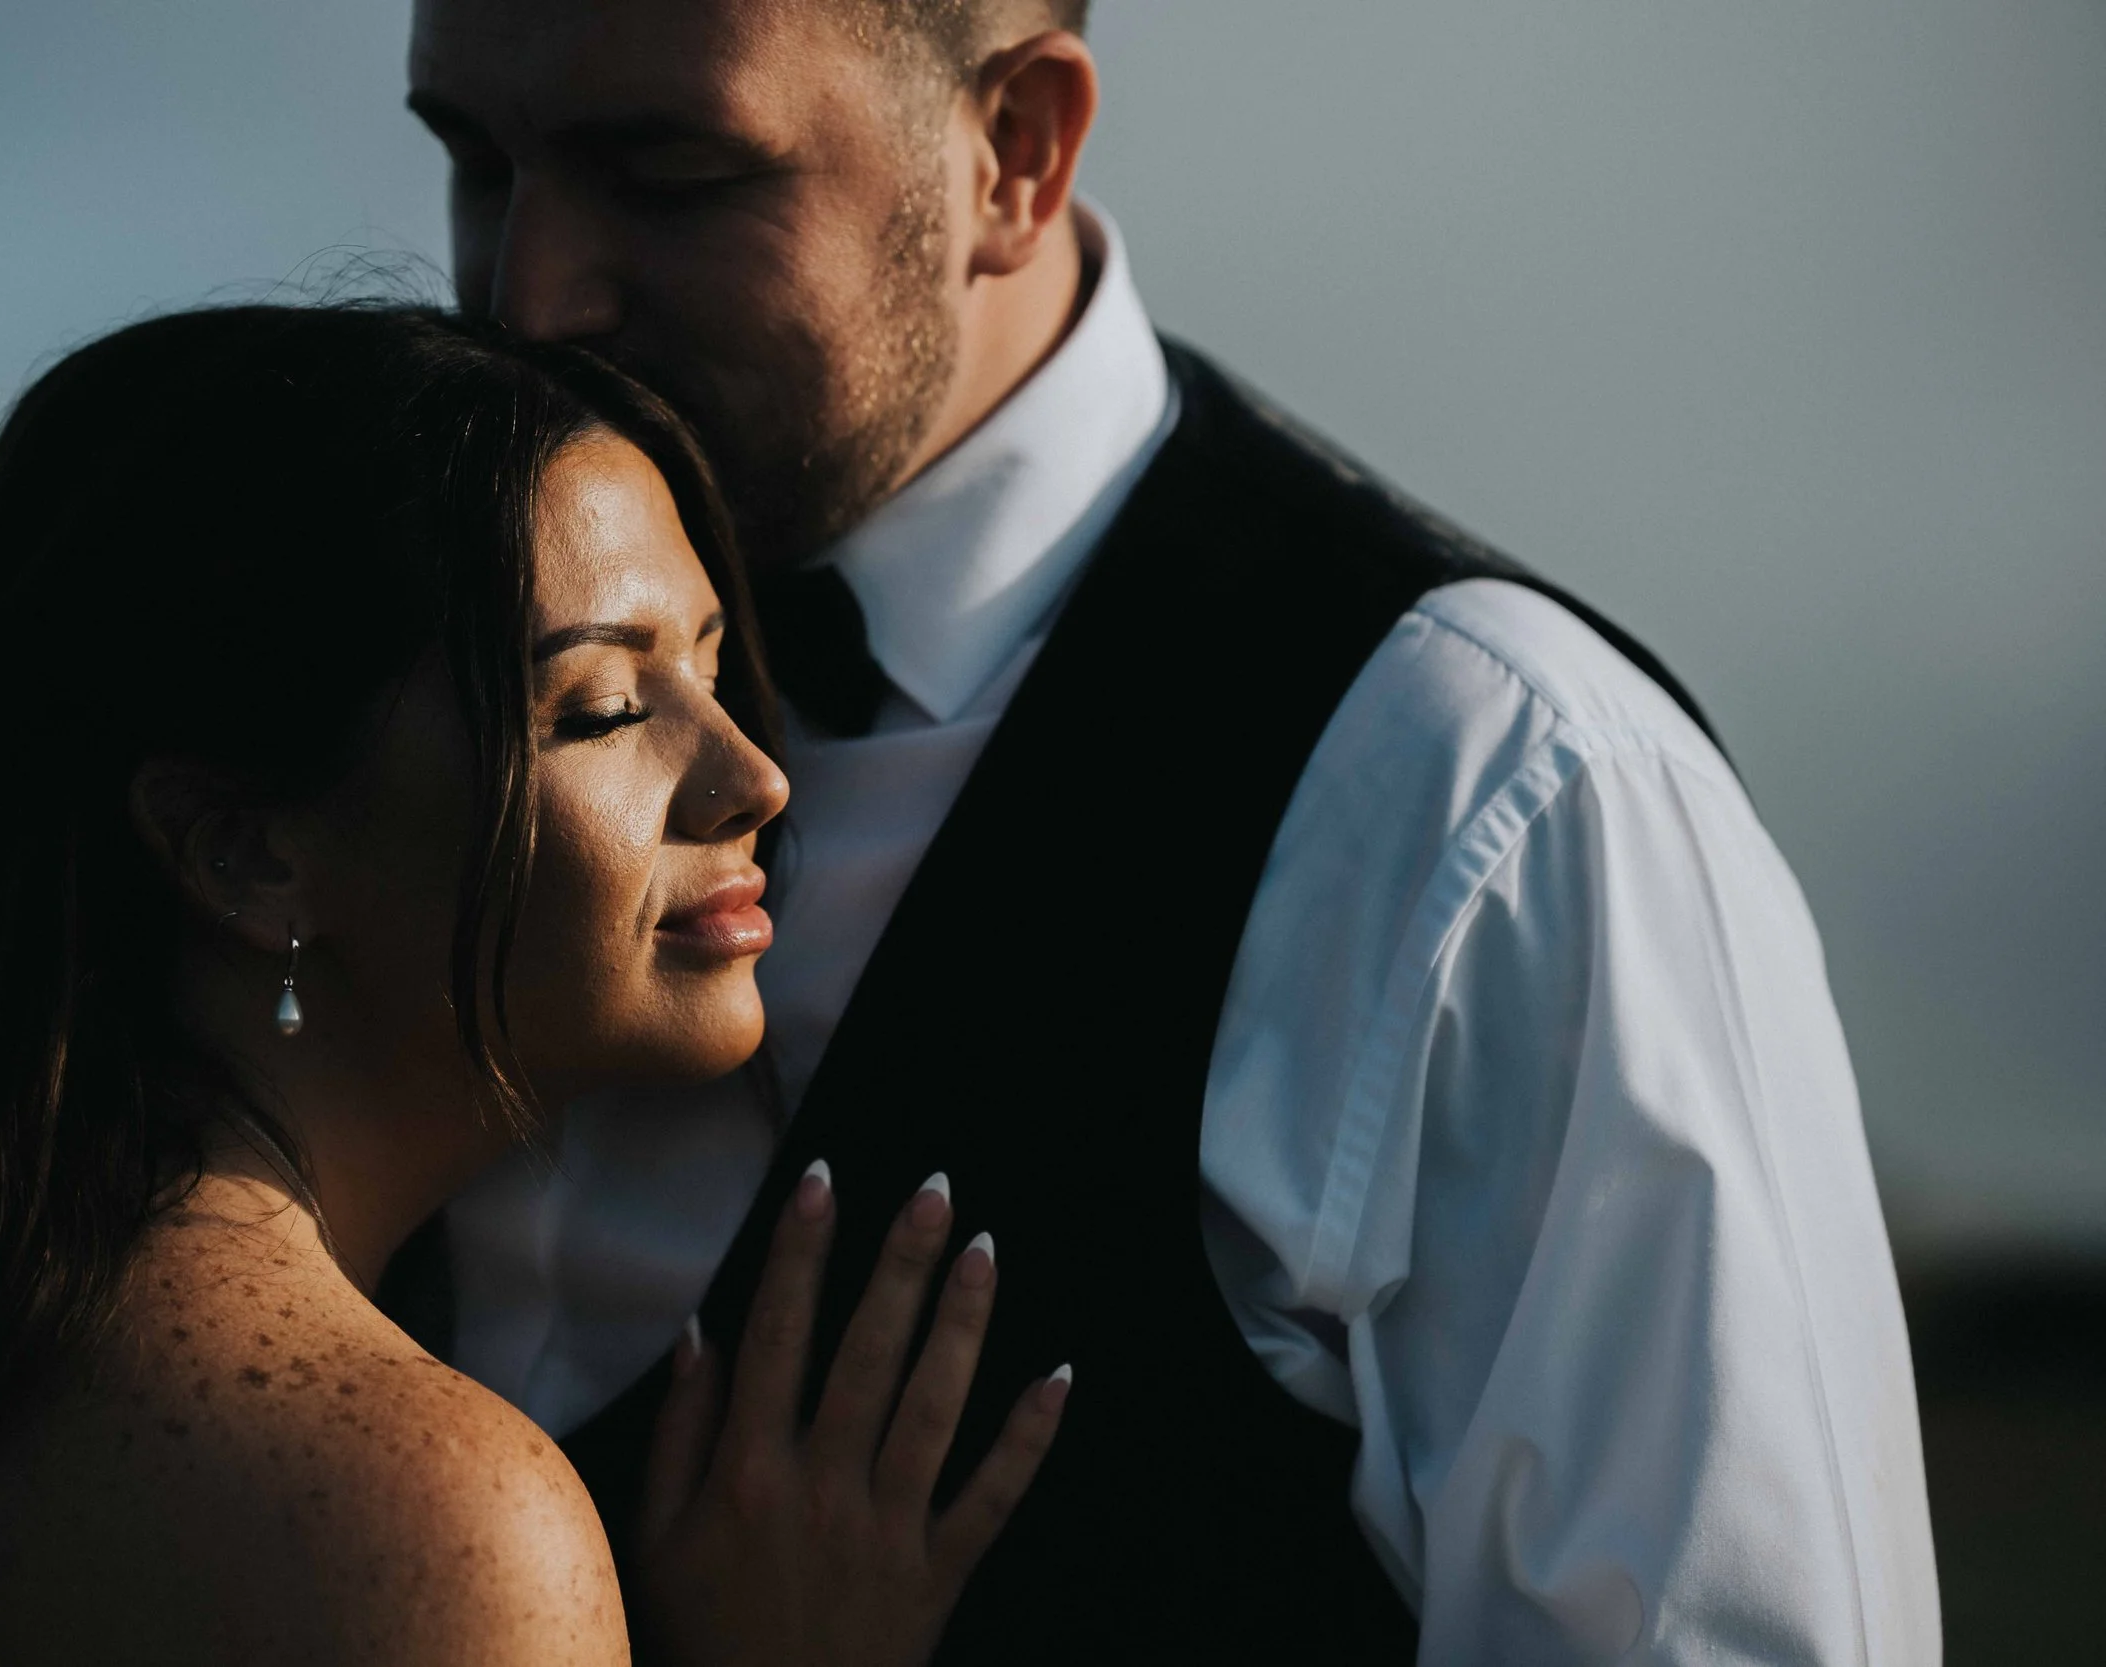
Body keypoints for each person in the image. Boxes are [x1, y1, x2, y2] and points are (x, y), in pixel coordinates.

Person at [401, 1, 1941, 1661]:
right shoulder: (334, 681)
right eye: (477, 165)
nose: (527, 299)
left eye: (670, 173)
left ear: (1016, 152)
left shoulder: (1499, 801)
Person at [0, 305, 1066, 1664]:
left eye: (705, 661)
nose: (751, 774)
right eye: (603, 709)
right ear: (244, 850)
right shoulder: (436, 1518)